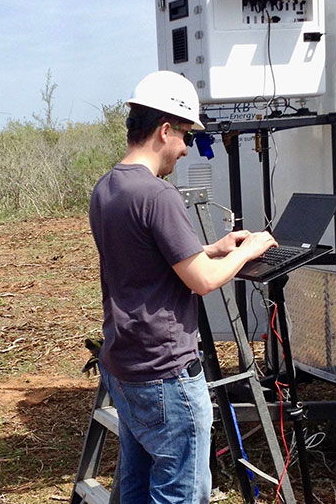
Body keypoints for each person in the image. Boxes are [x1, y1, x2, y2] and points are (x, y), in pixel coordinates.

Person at [89, 70, 278, 504]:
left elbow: (146, 261)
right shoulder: (158, 195)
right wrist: (249, 251)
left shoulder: (107, 189)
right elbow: (203, 282)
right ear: (164, 130)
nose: (186, 148)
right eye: (185, 137)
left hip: (124, 364)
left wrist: (212, 247)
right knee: (181, 493)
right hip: (166, 373)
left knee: (135, 488)